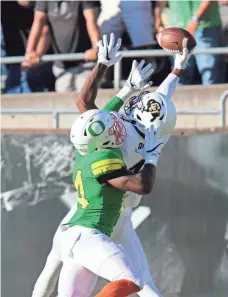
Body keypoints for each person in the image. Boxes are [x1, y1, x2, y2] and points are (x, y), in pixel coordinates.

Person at [31, 33, 193, 297]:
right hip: (105, 218)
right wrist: (177, 68)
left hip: (92, 218)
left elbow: (91, 108)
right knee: (139, 283)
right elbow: (161, 104)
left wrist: (120, 80)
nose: (138, 103)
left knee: (54, 269)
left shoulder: (113, 134)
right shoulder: (154, 134)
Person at [24, 1, 101, 92]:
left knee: (84, 91)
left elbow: (91, 21)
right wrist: (30, 52)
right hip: (62, 65)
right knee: (62, 89)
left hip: (85, 62)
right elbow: (38, 22)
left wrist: (95, 47)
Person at [155, 0, 226, 85]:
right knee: (179, 73)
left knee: (209, 71)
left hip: (204, 26)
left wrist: (195, 19)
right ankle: (178, 98)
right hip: (177, 29)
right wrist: (158, 21)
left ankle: (213, 97)